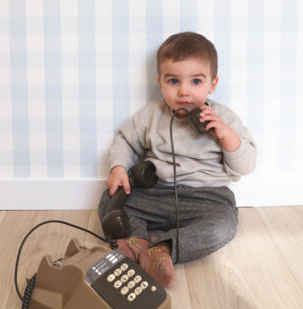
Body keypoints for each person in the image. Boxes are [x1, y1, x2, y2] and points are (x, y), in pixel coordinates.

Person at [98, 32, 256, 287]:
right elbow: (126, 140)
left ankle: (163, 250)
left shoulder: (224, 119)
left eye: (196, 81)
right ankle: (138, 241)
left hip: (207, 198)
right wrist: (118, 167)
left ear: (212, 84)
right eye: (173, 81)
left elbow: (246, 165)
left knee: (223, 226)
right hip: (156, 192)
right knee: (110, 199)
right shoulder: (152, 114)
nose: (184, 91)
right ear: (160, 83)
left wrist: (227, 136)